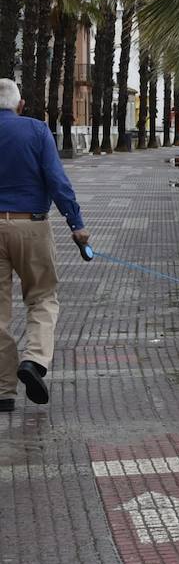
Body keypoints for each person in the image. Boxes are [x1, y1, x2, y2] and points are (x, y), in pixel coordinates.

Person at [0, 79, 89, 410]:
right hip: (32, 225)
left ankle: (3, 392)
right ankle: (34, 361)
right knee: (42, 297)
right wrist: (76, 224)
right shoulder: (37, 131)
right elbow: (57, 181)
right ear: (20, 106)